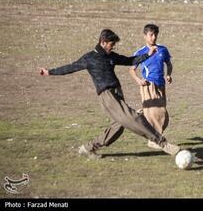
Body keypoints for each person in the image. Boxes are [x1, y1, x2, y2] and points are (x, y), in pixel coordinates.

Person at [39, 29, 180, 160]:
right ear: (103, 42)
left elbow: (129, 60)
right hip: (107, 95)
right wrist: (49, 72)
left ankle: (88, 148)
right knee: (133, 117)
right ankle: (162, 143)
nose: (113, 47)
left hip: (117, 93)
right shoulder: (89, 58)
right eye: (111, 44)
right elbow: (69, 67)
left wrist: (147, 55)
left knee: (117, 128)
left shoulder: (111, 56)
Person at [129, 24, 173, 150]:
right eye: (151, 35)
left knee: (160, 112)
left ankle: (141, 115)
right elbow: (132, 70)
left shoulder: (163, 50)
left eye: (155, 35)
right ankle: (154, 139)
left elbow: (169, 65)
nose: (153, 37)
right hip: (148, 85)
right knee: (159, 112)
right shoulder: (140, 53)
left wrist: (168, 75)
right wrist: (138, 79)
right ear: (145, 36)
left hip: (160, 85)